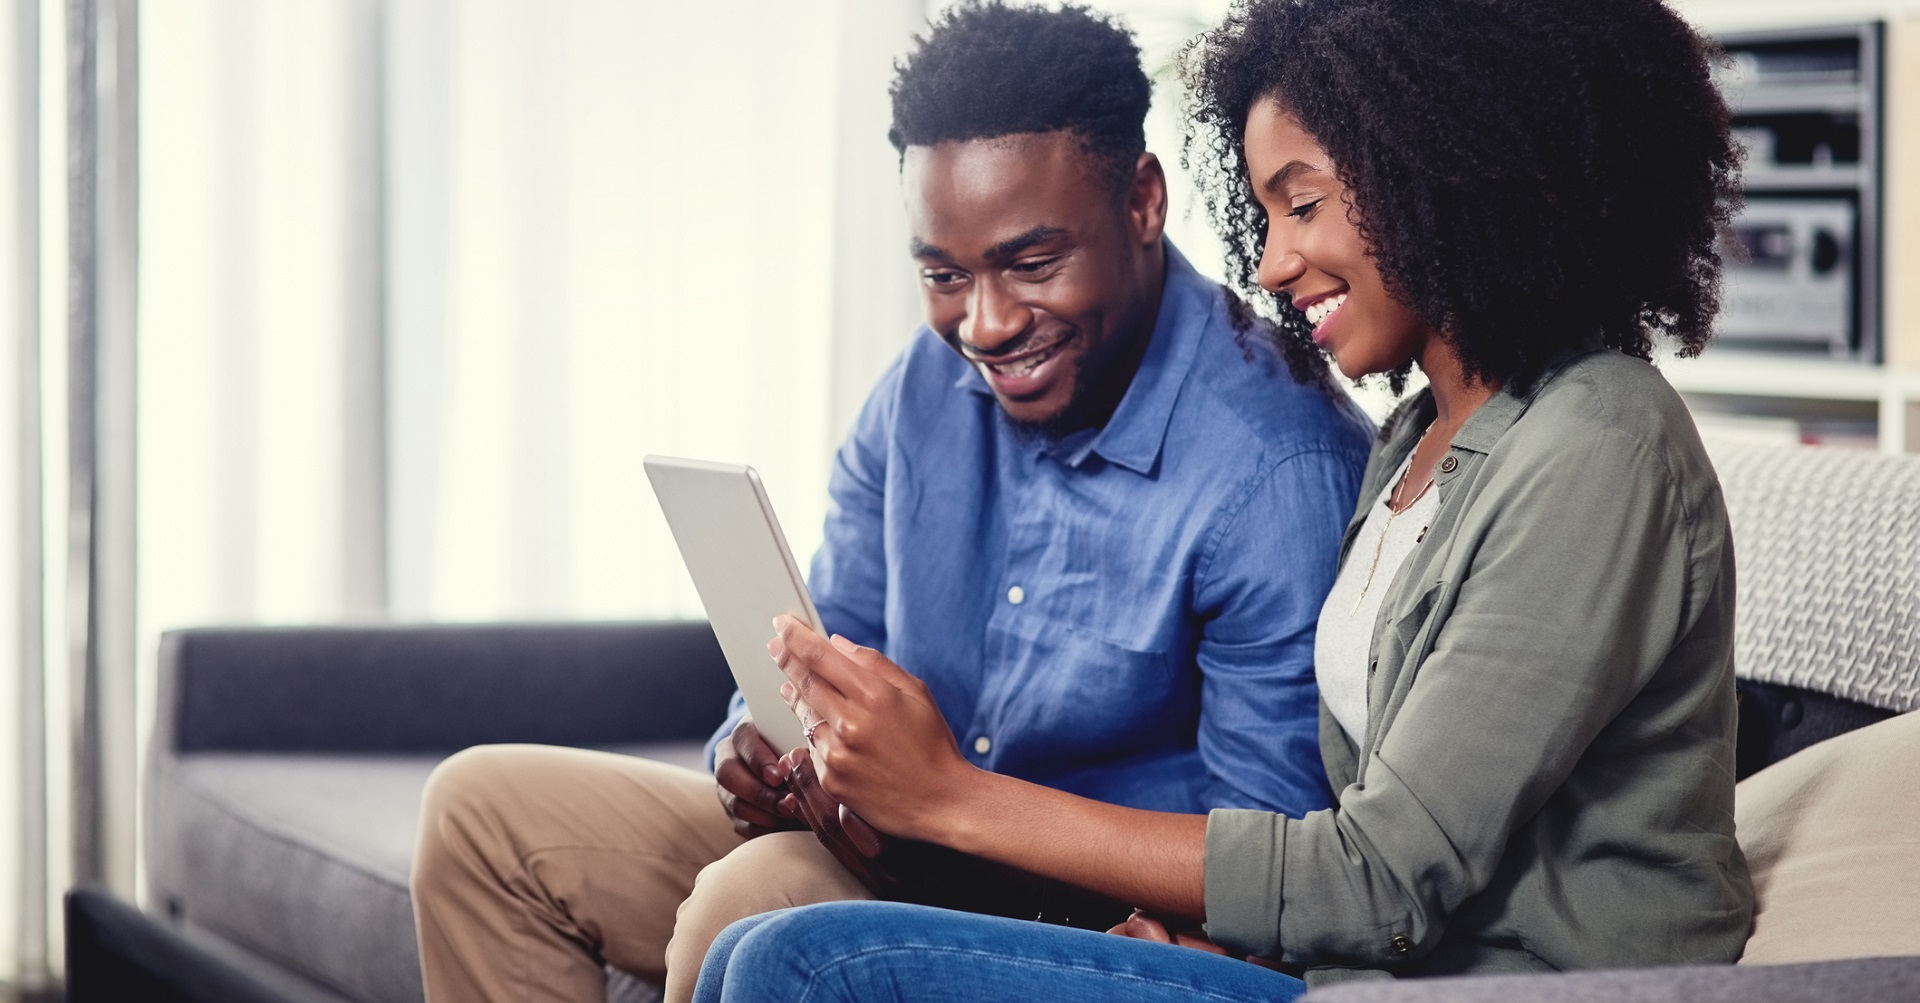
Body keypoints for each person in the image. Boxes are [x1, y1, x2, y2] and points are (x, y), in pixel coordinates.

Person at [692, 0, 1753, 999]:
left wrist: (950, 797)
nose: (1273, 260)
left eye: (1302, 205)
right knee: (752, 937)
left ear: (1450, 168)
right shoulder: (1417, 439)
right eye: (1263, 212)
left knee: (797, 959)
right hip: (1345, 968)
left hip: (1514, 982)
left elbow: (1381, 872)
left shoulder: (1600, 446)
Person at [408, 4, 1374, 1002]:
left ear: (1141, 202)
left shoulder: (1275, 463)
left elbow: (1275, 861)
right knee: (483, 813)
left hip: (1086, 918)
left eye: (1032, 262)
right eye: (945, 275)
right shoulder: (923, 388)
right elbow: (835, 635)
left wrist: (950, 803)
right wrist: (762, 750)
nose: (987, 324)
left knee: (758, 903)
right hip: (894, 843)